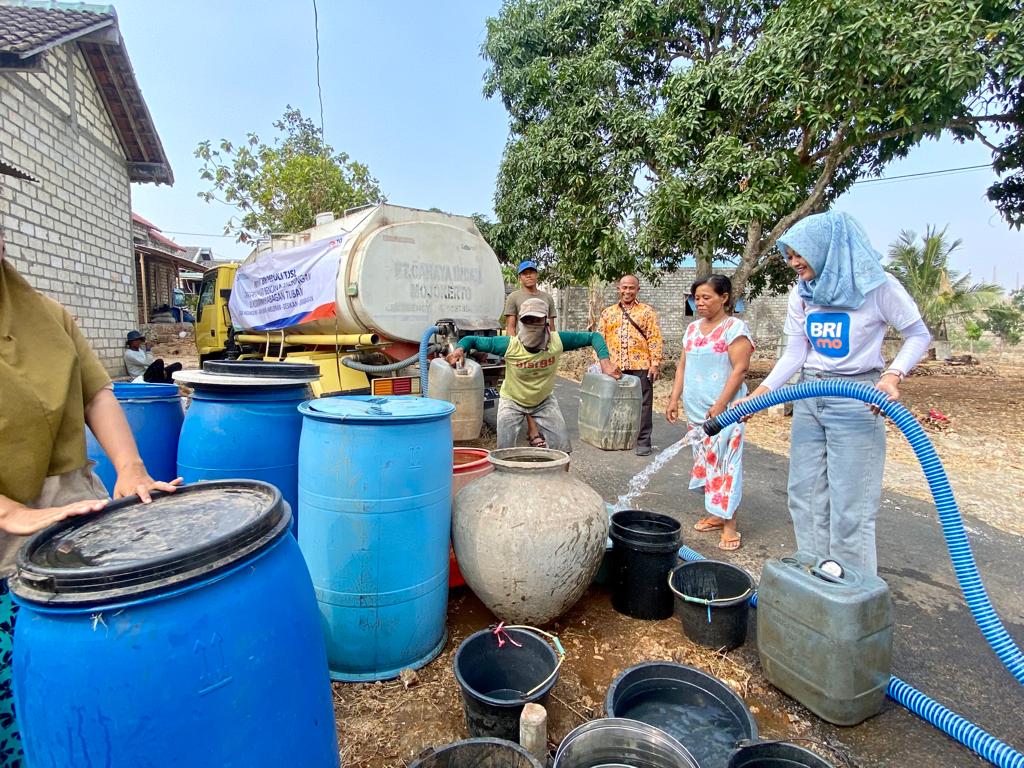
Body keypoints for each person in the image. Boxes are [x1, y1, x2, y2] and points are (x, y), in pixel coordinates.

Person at [0, 160, 181, 762]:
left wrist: (129, 468)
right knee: (26, 706)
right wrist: (9, 512)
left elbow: (95, 392)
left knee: (103, 687)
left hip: (69, 508)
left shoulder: (47, 317)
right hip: (7, 530)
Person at [735, 211, 931, 575]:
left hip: (857, 398)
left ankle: (852, 589)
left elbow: (918, 335)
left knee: (850, 506)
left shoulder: (876, 286)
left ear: (826, 248)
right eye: (789, 255)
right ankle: (815, 576)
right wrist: (760, 394)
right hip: (810, 395)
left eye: (799, 254)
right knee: (804, 495)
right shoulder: (803, 291)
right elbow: (795, 353)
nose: (793, 262)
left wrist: (892, 376)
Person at [448, 297, 620, 451]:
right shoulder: (509, 345)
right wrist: (459, 350)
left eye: (537, 319)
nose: (532, 324)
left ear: (545, 321)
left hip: (544, 401)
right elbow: (471, 340)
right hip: (512, 401)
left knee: (562, 447)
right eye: (528, 320)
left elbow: (594, 337)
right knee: (503, 451)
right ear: (520, 322)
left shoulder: (557, 341)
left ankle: (561, 476)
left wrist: (605, 363)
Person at [665, 275, 754, 551]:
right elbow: (682, 366)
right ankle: (717, 514)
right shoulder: (692, 329)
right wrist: (674, 398)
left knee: (726, 466)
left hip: (725, 413)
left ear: (724, 297)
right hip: (697, 412)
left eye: (706, 297)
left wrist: (721, 404)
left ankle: (730, 526)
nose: (700, 303)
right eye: (697, 298)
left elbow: (740, 369)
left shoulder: (734, 328)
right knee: (708, 464)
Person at [597, 275, 664, 456]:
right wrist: (600, 364)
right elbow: (599, 339)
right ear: (618, 289)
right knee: (614, 403)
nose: (627, 291)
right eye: (624, 287)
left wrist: (655, 363)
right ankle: (616, 439)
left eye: (631, 288)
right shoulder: (607, 313)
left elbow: (654, 338)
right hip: (615, 367)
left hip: (641, 365)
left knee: (644, 405)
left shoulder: (647, 312)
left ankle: (643, 442)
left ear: (637, 290)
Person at [503, 261, 558, 447]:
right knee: (523, 389)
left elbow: (551, 327)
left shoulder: (547, 298)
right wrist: (513, 351)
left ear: (536, 275)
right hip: (523, 350)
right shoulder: (514, 297)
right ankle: (533, 432)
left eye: (531, 272)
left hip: (542, 349)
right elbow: (511, 326)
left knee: (540, 388)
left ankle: (539, 429)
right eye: (524, 273)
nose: (528, 275)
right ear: (519, 277)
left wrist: (553, 348)